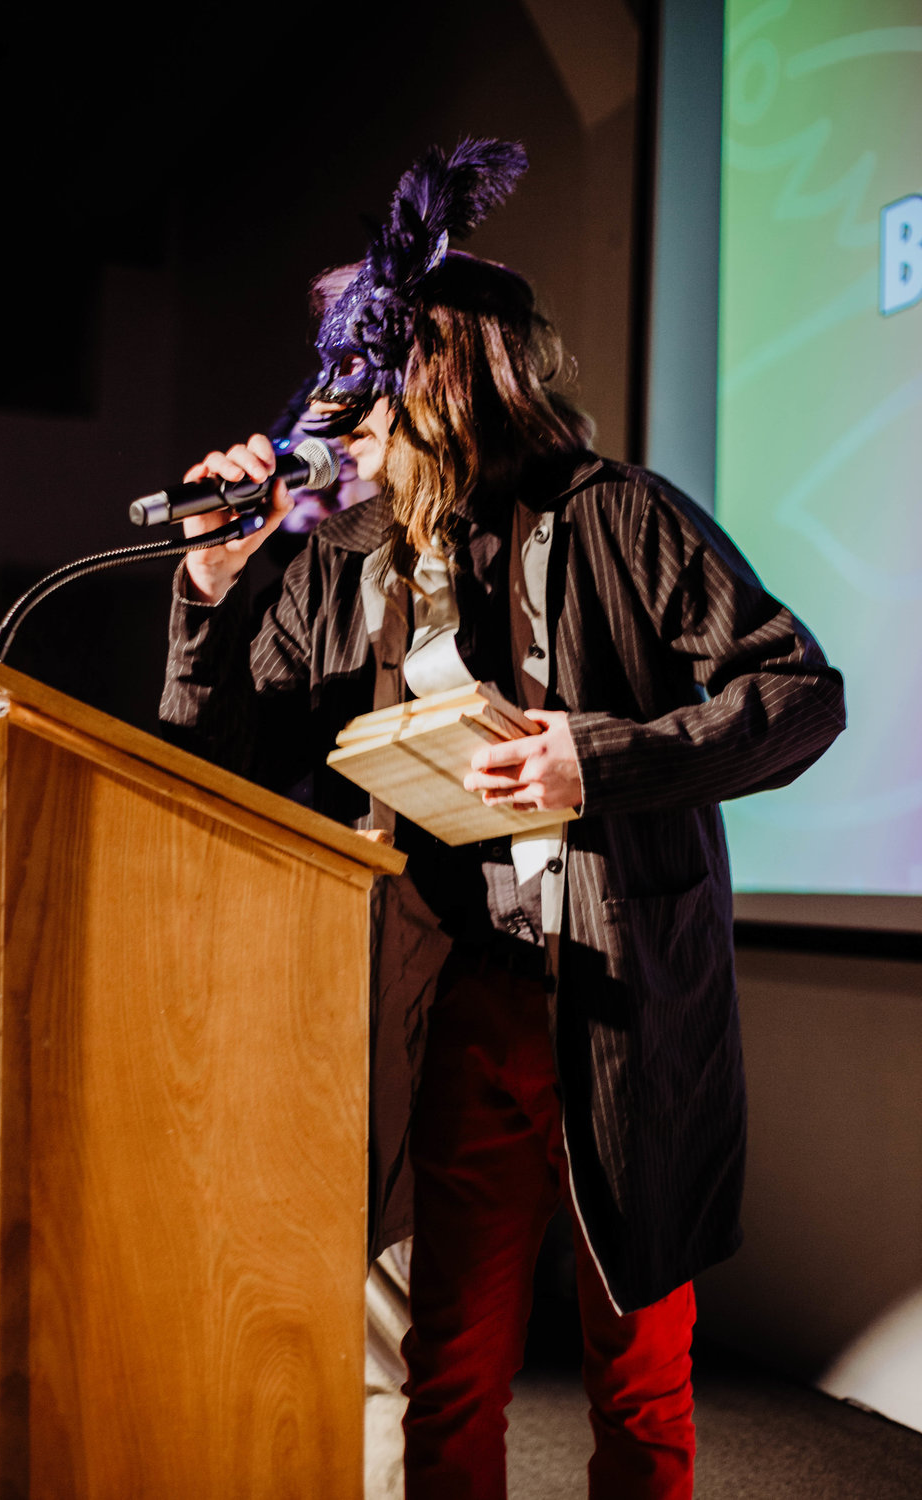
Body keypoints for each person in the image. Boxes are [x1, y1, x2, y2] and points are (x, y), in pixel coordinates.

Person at [160, 139, 846, 1499]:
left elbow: (800, 691)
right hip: (464, 1007)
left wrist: (598, 759)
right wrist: (212, 580)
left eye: (368, 375)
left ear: (446, 374)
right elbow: (213, 762)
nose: (337, 408)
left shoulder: (618, 518)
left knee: (640, 1378)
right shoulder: (339, 564)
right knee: (450, 1376)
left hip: (620, 1006)